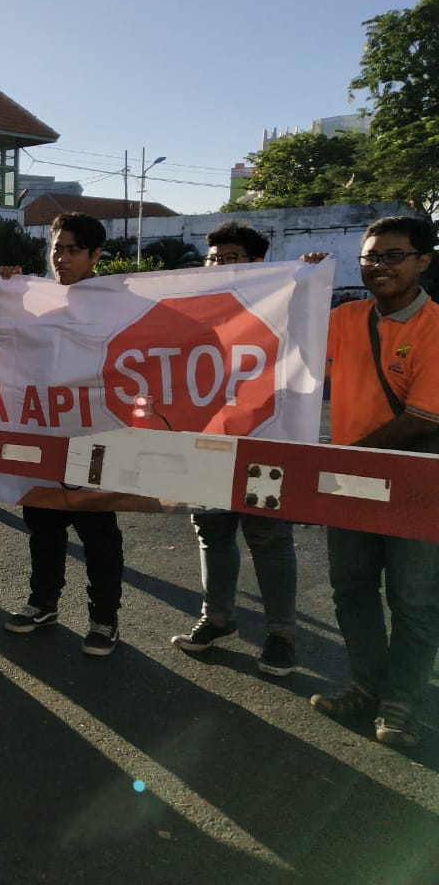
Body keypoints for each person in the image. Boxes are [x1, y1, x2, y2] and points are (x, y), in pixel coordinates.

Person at [303, 216, 439, 749]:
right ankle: (367, 684)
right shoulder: (346, 317)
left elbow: (423, 421)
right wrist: (302, 288)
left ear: (423, 260)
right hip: (350, 479)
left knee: (414, 600)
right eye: (369, 256)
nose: (378, 266)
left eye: (393, 256)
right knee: (351, 588)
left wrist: (344, 459)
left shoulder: (435, 328)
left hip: (415, 482)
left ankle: (400, 702)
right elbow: (290, 354)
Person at [170, 221, 300, 675]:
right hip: (207, 441)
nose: (219, 266)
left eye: (230, 258)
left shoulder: (286, 301)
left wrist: (307, 278)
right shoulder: (192, 308)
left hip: (264, 440)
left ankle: (281, 633)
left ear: (258, 264)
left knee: (268, 538)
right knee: (212, 531)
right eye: (213, 259)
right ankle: (217, 618)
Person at [4, 213, 126, 656]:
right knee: (43, 525)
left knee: (98, 532)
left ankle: (104, 619)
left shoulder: (118, 302)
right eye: (57, 248)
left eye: (73, 249)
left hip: (95, 437)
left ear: (96, 255)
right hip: (44, 433)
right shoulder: (38, 299)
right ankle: (43, 603)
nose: (62, 257)